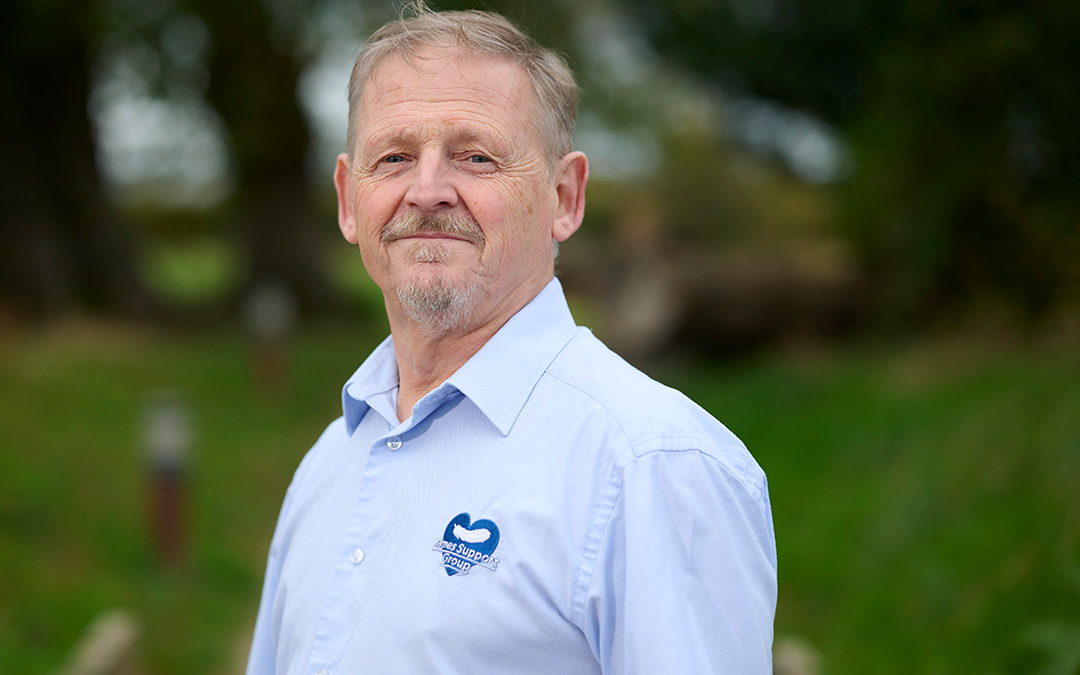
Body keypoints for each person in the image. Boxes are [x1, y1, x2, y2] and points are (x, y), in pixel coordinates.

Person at [246, 6, 777, 674]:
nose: (429, 189)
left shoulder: (651, 466)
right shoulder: (330, 463)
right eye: (395, 157)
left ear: (564, 197)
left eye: (476, 156)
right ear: (351, 200)